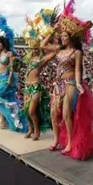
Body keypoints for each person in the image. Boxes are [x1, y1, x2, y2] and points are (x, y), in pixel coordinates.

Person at [41, 0, 93, 160]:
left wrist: (79, 83)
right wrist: (53, 30)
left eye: (65, 36)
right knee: (53, 112)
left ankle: (70, 142)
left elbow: (78, 69)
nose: (62, 38)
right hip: (58, 83)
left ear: (71, 37)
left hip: (71, 82)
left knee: (66, 113)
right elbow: (43, 46)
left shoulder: (76, 52)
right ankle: (57, 140)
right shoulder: (58, 49)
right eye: (61, 35)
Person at [0, 14, 28, 132]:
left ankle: (6, 120)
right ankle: (4, 121)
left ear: (4, 42)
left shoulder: (10, 53)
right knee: (5, 100)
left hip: (6, 78)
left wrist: (10, 78)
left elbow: (12, 67)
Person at [21, 9, 58, 140]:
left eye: (34, 46)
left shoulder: (41, 60)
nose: (32, 48)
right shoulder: (28, 59)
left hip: (36, 87)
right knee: (27, 112)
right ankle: (30, 129)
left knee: (32, 110)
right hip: (27, 87)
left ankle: (37, 131)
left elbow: (54, 52)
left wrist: (51, 33)